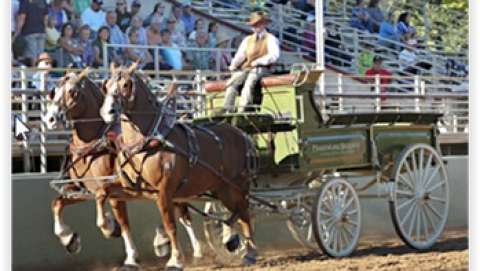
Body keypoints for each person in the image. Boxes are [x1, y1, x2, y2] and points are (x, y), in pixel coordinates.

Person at [223, 11, 280, 112]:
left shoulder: (271, 39)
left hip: (263, 68)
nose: (255, 27)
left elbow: (274, 55)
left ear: (264, 24)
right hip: (247, 68)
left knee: (250, 81)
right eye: (253, 25)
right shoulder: (247, 40)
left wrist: (259, 61)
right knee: (232, 82)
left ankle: (243, 109)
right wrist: (233, 66)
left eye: (258, 24)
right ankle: (227, 109)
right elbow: (240, 55)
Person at [15, 0, 49, 65]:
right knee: (40, 55)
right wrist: (45, 30)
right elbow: (46, 18)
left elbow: (22, 17)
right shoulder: (43, 1)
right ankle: (40, 73)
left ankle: (34, 72)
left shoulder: (25, 1)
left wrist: (17, 32)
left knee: (32, 55)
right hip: (41, 31)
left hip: (29, 32)